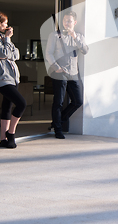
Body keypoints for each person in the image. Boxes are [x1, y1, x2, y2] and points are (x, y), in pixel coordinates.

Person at [45, 11, 88, 139]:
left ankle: (58, 121)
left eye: (69, 21)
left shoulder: (79, 36)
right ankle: (58, 130)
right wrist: (56, 67)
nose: (66, 23)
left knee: (78, 101)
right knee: (58, 101)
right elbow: (48, 53)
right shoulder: (54, 35)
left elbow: (85, 50)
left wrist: (74, 37)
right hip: (59, 72)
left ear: (74, 22)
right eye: (64, 21)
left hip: (73, 72)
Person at [0, 11, 26, 148]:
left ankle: (3, 139)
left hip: (13, 77)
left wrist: (6, 51)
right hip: (2, 78)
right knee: (21, 103)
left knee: (7, 106)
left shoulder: (3, 38)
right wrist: (7, 44)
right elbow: (4, 53)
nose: (7, 26)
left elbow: (16, 54)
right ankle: (11, 133)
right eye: (5, 23)